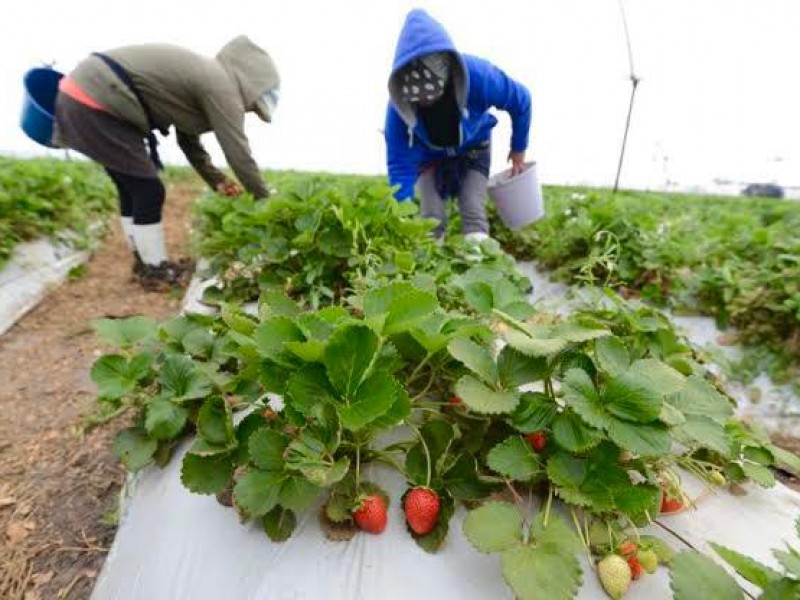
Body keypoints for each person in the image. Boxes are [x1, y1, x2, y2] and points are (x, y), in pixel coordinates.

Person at [53, 36, 280, 289]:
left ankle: (144, 263)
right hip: (98, 99)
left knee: (132, 188)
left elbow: (189, 142)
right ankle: (155, 270)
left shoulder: (205, 77)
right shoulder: (221, 86)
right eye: (252, 106)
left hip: (87, 94)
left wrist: (217, 180)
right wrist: (266, 200)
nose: (247, 110)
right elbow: (237, 152)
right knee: (148, 190)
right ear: (251, 85)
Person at [385, 9, 532, 242]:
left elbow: (521, 100)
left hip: (475, 148)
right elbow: (400, 163)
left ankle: (480, 267)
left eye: (432, 94)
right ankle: (429, 269)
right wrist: (400, 214)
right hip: (430, 157)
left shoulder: (480, 76)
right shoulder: (398, 108)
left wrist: (518, 148)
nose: (427, 102)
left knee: (473, 209)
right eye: (420, 100)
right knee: (431, 217)